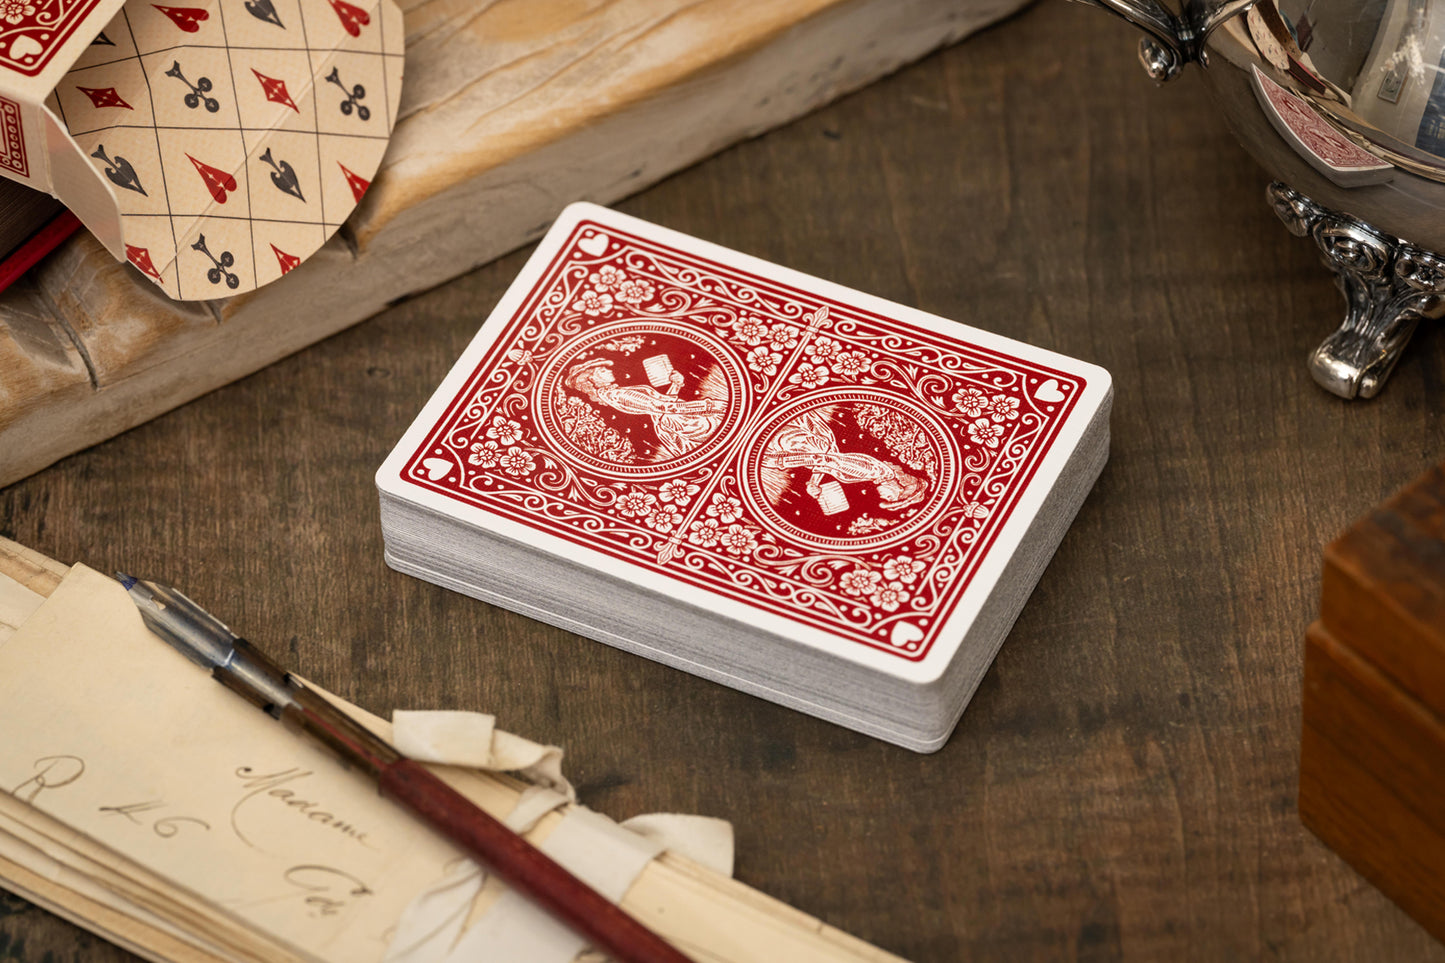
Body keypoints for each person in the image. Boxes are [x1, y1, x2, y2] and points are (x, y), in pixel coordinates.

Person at [761, 407, 928, 513]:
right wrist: (781, 462)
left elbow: (830, 460)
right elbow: (821, 459)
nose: (882, 496)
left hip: (813, 445)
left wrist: (814, 482)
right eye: (890, 498)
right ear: (898, 489)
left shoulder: (877, 473)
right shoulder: (872, 471)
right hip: (801, 443)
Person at [564, 357, 726, 460]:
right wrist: (709, 406)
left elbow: (663, 402)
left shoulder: (614, 392)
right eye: (602, 370)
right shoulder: (618, 395)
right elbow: (663, 407)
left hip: (675, 419)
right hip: (679, 422)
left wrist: (676, 385)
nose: (609, 370)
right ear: (592, 379)